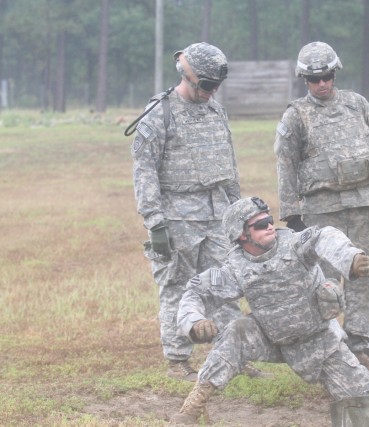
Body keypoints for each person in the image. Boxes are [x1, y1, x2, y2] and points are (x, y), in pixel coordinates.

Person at [274, 41, 369, 374]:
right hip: (321, 209)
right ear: (304, 80)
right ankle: (326, 348)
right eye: (314, 79)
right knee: (323, 280)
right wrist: (292, 212)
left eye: (326, 77)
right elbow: (285, 163)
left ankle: (357, 345)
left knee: (364, 272)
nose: (321, 84)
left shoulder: (357, 105)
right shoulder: (295, 116)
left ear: (334, 73)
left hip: (362, 203)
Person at [170, 196, 369, 424]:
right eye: (259, 224)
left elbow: (324, 236)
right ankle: (192, 407)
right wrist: (195, 322)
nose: (269, 226)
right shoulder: (235, 268)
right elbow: (195, 292)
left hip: (319, 340)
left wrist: (351, 257)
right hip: (271, 338)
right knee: (238, 329)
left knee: (364, 403)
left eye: (269, 220)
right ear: (241, 234)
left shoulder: (296, 244)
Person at [131, 42, 246, 381]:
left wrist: (238, 211)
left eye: (216, 86)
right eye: (207, 85)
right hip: (176, 218)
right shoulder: (159, 114)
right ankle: (178, 361)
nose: (212, 92)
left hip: (217, 215)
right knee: (178, 288)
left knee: (226, 286)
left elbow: (229, 166)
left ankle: (234, 355)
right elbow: (144, 171)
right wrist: (154, 222)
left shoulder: (216, 111)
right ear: (188, 76)